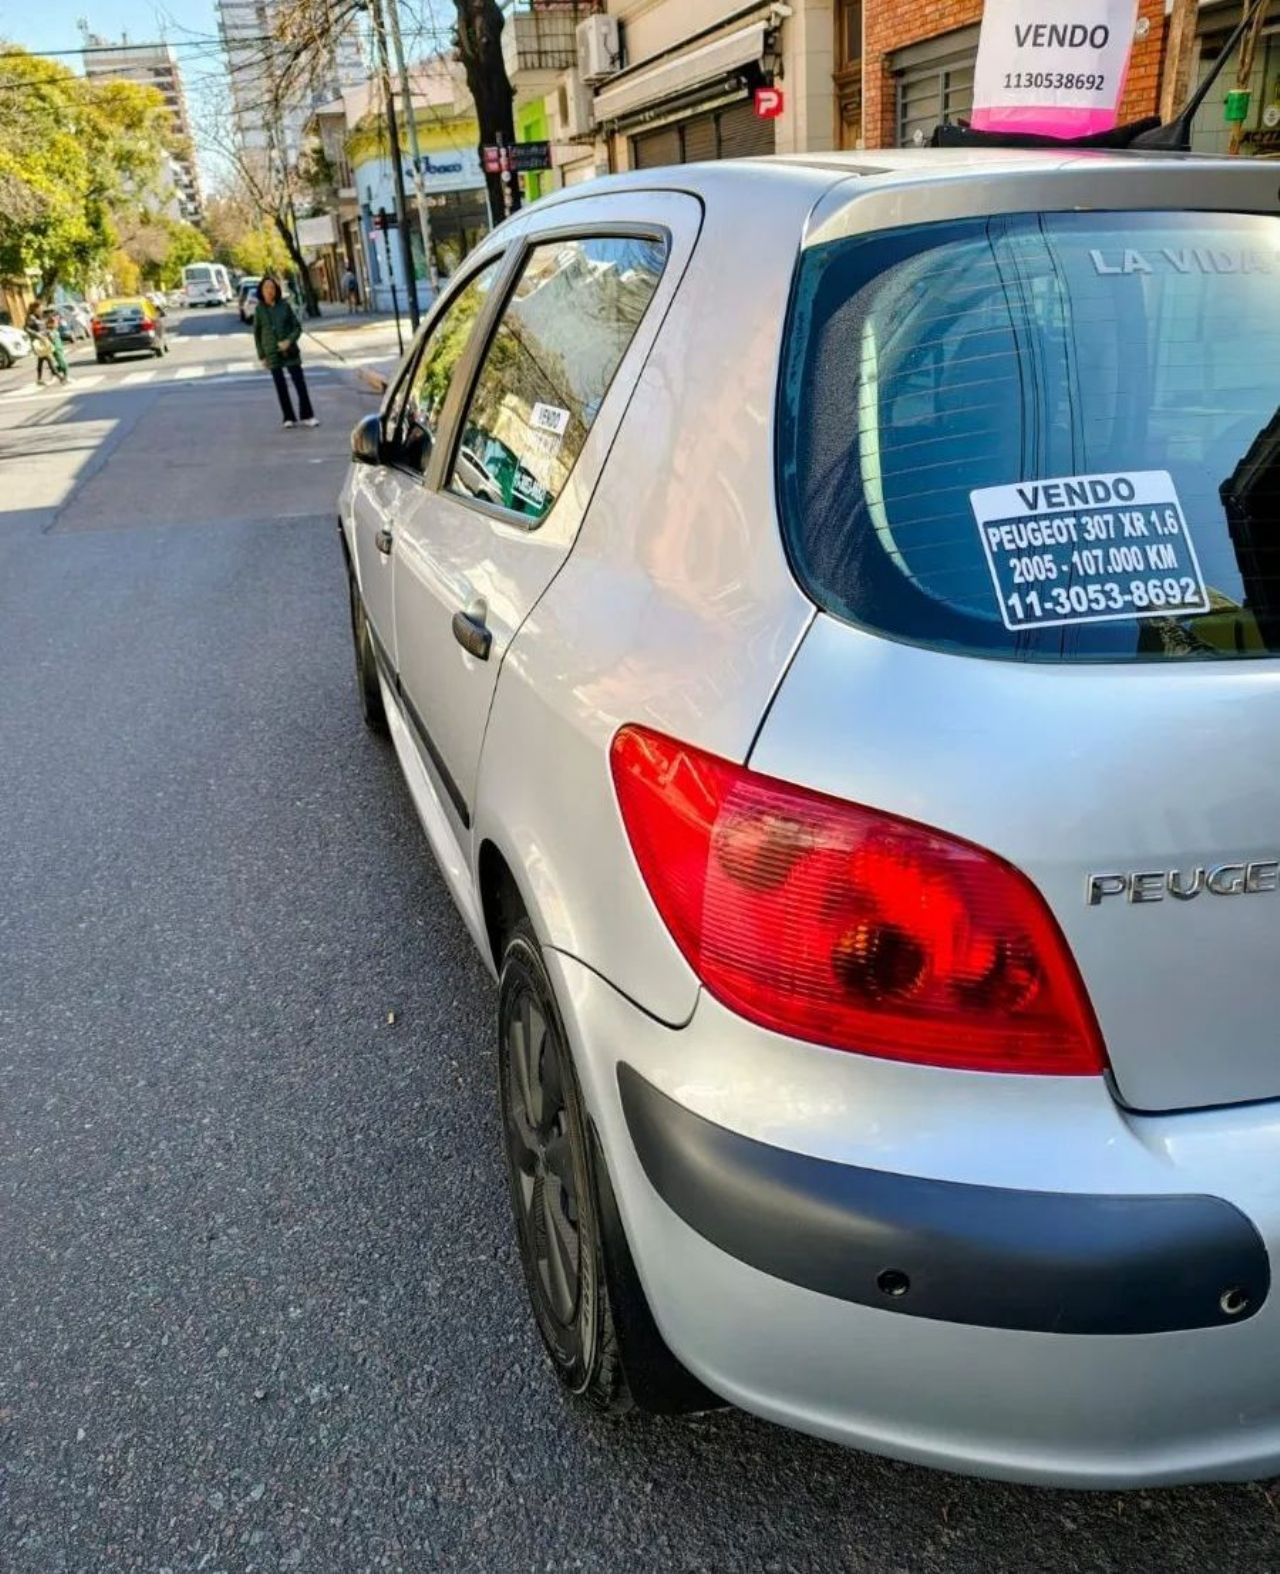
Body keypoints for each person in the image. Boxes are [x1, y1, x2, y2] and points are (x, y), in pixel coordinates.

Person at [253, 274, 317, 430]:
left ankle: (307, 415)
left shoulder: (284, 306)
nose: (269, 290)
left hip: (290, 351)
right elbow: (257, 333)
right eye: (266, 288)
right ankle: (288, 417)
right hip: (272, 352)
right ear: (261, 291)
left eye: (272, 288)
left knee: (299, 383)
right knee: (280, 386)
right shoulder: (259, 310)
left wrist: (289, 341)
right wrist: (262, 355)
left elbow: (297, 327)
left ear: (277, 290)